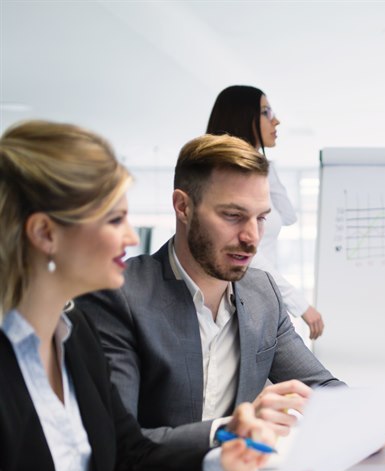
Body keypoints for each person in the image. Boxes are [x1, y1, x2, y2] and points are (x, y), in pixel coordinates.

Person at [0, 121, 311, 471]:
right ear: (45, 233)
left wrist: (223, 459)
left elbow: (130, 457)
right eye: (113, 219)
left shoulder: (72, 334)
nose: (130, 237)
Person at [77, 133, 345, 451]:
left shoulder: (263, 294)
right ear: (183, 207)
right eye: (233, 216)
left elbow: (319, 387)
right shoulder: (119, 295)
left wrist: (365, 419)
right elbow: (119, 442)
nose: (251, 237)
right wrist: (227, 431)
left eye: (260, 219)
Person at [207, 85, 324, 340]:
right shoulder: (229, 175)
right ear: (242, 117)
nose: (276, 120)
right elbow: (245, 254)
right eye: (266, 112)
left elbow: (289, 216)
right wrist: (300, 304)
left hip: (261, 298)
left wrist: (265, 168)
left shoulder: (255, 172)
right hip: (239, 302)